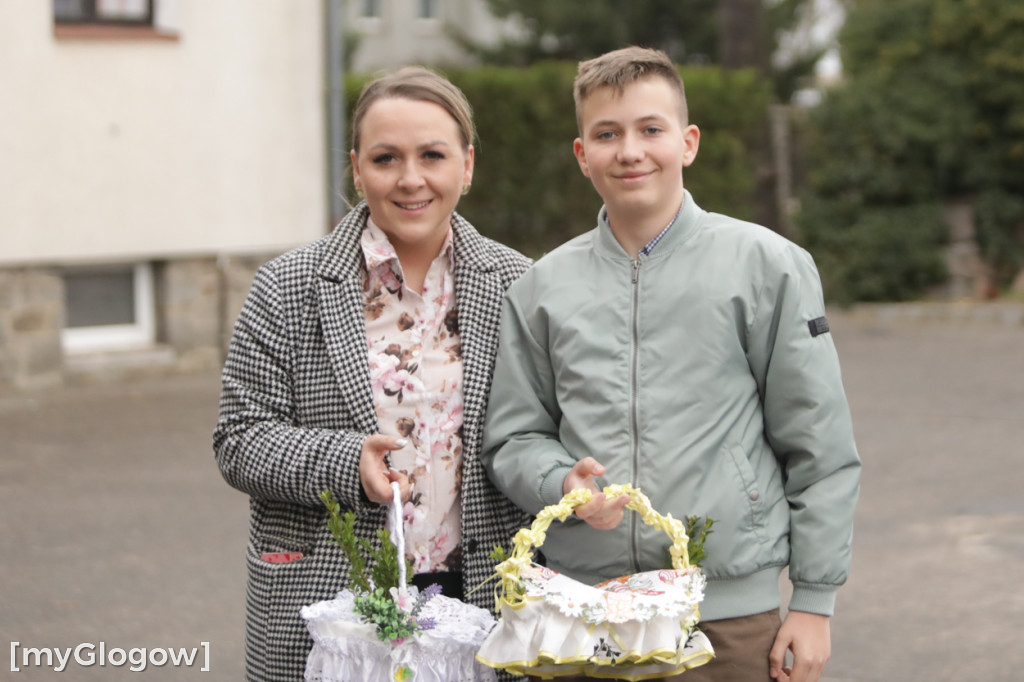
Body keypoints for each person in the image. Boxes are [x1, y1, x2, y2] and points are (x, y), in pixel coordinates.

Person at [481, 46, 861, 682]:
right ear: (582, 155)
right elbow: (513, 438)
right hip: (585, 614)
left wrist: (815, 602)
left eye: (649, 129)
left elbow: (818, 443)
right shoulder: (541, 288)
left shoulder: (767, 266)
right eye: (607, 134)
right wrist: (560, 483)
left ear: (687, 142)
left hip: (728, 620)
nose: (630, 151)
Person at [214, 66, 533, 681]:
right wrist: (346, 461)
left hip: (483, 600)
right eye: (387, 158)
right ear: (358, 169)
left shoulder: (520, 284)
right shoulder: (287, 287)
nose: (410, 179)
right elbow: (239, 440)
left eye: (432, 155)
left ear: (467, 165)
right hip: (334, 606)